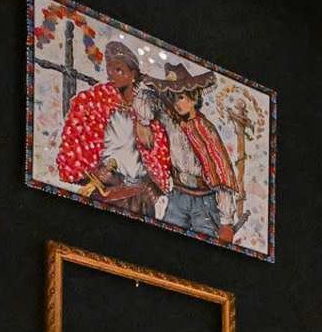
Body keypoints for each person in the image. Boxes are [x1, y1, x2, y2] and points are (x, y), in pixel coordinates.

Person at [50, 38, 155, 218]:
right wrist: (96, 171)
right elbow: (77, 146)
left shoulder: (146, 107)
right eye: (110, 69)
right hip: (108, 192)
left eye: (119, 70)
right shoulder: (94, 102)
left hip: (141, 196)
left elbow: (155, 151)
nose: (111, 74)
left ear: (133, 74)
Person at [147, 69, 244, 242]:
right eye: (174, 97)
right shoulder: (170, 121)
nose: (177, 103)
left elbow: (221, 174)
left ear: (194, 98)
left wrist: (227, 222)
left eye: (182, 97)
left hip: (204, 201)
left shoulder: (206, 130)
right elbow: (147, 103)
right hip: (178, 195)